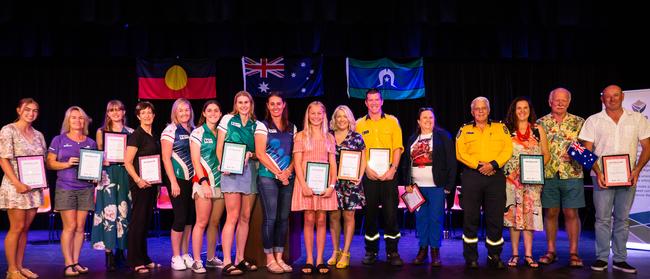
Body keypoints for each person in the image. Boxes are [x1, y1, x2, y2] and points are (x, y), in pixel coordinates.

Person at [579, 85, 650, 274]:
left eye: (616, 95)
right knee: (602, 219)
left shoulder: (638, 119)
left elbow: (647, 147)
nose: (612, 99)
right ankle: (602, 258)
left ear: (623, 96)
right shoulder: (593, 120)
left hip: (628, 177)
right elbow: (586, 150)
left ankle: (620, 259)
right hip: (601, 177)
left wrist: (636, 170)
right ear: (602, 99)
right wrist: (598, 172)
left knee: (622, 219)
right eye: (608, 96)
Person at [456, 96, 512, 269]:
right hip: (472, 176)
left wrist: (493, 164)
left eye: (483, 108)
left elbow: (507, 148)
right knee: (470, 218)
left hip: (495, 176)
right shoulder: (464, 130)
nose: (480, 111)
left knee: (494, 218)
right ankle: (471, 257)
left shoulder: (500, 127)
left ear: (488, 110)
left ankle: (494, 255)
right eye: (477, 109)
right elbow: (460, 152)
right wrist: (479, 166)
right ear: (472, 112)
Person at [536, 88, 585, 267]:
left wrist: (576, 155)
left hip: (572, 172)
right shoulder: (540, 123)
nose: (560, 103)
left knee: (571, 212)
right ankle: (551, 251)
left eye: (564, 100)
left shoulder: (579, 122)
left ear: (569, 102)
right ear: (550, 102)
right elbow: (535, 149)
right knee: (551, 212)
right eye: (556, 100)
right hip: (548, 173)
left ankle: (573, 253)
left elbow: (587, 147)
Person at [355, 89, 405, 266]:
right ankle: (371, 251)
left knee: (391, 215)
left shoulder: (392, 121)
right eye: (370, 100)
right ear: (366, 103)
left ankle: (393, 252)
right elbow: (358, 150)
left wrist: (393, 169)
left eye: (377, 99)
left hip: (389, 175)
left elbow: (397, 147)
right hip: (369, 176)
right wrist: (366, 169)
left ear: (382, 102)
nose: (374, 103)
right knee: (370, 215)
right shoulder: (359, 124)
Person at [46, 106, 97, 276]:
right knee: (70, 226)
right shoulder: (58, 140)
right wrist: (67, 164)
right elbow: (49, 163)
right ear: (68, 121)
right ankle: (68, 263)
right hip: (66, 188)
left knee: (81, 227)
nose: (77, 121)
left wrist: (95, 176)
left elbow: (95, 166)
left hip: (86, 189)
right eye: (74, 118)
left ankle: (76, 261)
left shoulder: (91, 143)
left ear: (85, 121)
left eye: (81, 118)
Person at [402, 107, 456, 267]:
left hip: (436, 187)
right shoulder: (412, 139)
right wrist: (407, 183)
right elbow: (406, 164)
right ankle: (423, 250)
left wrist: (448, 186)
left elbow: (451, 163)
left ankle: (435, 251)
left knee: (435, 220)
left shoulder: (443, 137)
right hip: (417, 189)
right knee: (421, 220)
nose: (428, 120)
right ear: (418, 121)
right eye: (424, 118)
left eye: (430, 117)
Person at [0, 98, 47, 279]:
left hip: (33, 187)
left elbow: (41, 161)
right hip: (15, 186)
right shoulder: (8, 130)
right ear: (19, 110)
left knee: (26, 229)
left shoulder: (38, 134)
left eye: (35, 110)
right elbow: (3, 159)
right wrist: (17, 183)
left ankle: (20, 266)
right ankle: (11, 270)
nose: (31, 113)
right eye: (27, 109)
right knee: (17, 227)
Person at [502, 97, 550, 268]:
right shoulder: (506, 130)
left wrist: (535, 169)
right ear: (513, 111)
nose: (522, 111)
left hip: (532, 182)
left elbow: (546, 154)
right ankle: (515, 254)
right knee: (513, 218)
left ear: (530, 110)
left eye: (525, 108)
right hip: (511, 182)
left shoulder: (538, 130)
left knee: (530, 217)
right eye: (518, 108)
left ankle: (529, 255)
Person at [292, 101, 338, 275]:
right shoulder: (301, 136)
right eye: (313, 113)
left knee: (321, 220)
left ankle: (320, 260)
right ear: (308, 115)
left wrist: (332, 186)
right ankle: (309, 259)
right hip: (306, 184)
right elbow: (297, 163)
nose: (316, 116)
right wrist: (303, 185)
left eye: (320, 113)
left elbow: (333, 164)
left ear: (324, 115)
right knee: (309, 219)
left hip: (325, 185)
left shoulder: (329, 137)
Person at [217, 91, 260, 276]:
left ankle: (240, 258)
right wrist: (223, 165)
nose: (243, 105)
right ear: (236, 104)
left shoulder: (255, 125)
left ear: (251, 104)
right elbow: (220, 147)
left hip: (249, 170)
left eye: (246, 102)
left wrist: (251, 154)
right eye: (240, 102)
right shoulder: (227, 119)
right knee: (232, 216)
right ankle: (227, 260)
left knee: (245, 216)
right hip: (231, 171)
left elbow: (259, 152)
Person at [254, 92, 296, 274]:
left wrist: (289, 171)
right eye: (272, 104)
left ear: (284, 105)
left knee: (283, 219)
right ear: (268, 106)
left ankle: (279, 257)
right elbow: (261, 154)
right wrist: (279, 173)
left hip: (287, 177)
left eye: (279, 103)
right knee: (270, 219)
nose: (276, 107)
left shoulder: (292, 127)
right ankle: (269, 258)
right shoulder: (262, 126)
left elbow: (296, 154)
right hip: (268, 177)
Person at [90, 100, 134, 271]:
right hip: (107, 175)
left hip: (124, 173)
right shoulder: (101, 131)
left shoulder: (131, 132)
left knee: (124, 212)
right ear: (107, 113)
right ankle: (108, 254)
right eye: (112, 110)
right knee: (108, 213)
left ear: (124, 112)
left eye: (119, 110)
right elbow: (99, 152)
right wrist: (103, 158)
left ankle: (121, 251)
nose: (116, 113)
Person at [327, 105, 366, 269]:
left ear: (350, 119)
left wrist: (360, 175)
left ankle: (346, 253)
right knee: (334, 216)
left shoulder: (357, 137)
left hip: (351, 183)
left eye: (345, 116)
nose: (341, 119)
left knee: (349, 216)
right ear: (334, 119)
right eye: (338, 116)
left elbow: (363, 158)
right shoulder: (328, 137)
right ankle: (335, 251)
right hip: (333, 183)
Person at [124, 101, 161, 274]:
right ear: (138, 116)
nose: (147, 115)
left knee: (145, 222)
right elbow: (127, 162)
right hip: (140, 185)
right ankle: (135, 260)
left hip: (152, 184)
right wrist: (138, 180)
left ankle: (144, 257)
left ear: (153, 115)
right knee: (138, 221)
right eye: (143, 113)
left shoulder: (154, 134)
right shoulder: (136, 135)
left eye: (149, 112)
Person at [188, 100, 225, 273]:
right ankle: (196, 260)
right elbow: (195, 160)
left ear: (220, 113)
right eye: (209, 110)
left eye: (216, 110)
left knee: (214, 222)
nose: (213, 113)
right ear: (203, 113)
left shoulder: (223, 132)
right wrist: (203, 182)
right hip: (203, 183)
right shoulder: (198, 132)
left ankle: (210, 258)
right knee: (201, 222)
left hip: (221, 183)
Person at [161, 98, 196, 271]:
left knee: (190, 218)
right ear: (175, 112)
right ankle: (175, 256)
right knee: (180, 217)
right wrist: (173, 182)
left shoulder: (194, 130)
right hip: (177, 179)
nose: (184, 113)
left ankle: (185, 253)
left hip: (193, 180)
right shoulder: (170, 130)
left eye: (187, 110)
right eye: (180, 110)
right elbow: (166, 158)